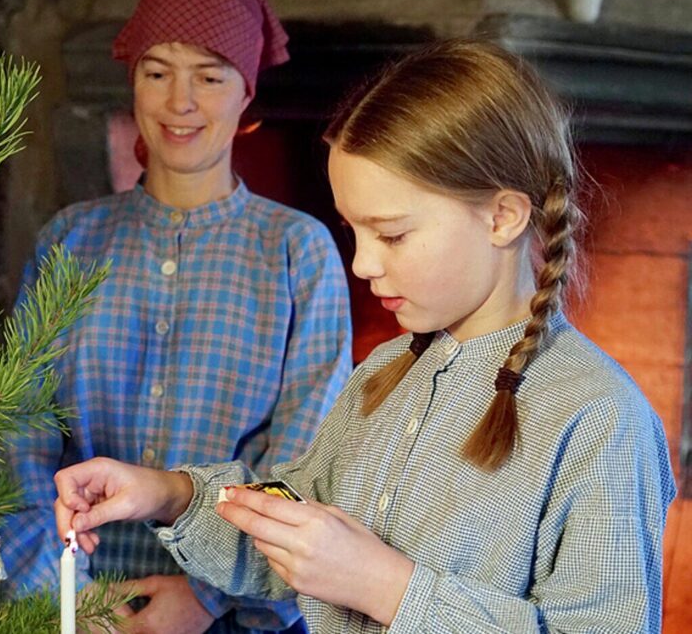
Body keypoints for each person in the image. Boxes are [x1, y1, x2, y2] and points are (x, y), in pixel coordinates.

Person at [53, 39, 677, 633]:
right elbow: (296, 528)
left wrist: (386, 586)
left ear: (503, 216)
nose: (362, 265)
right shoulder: (383, 374)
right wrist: (167, 492)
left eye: (393, 234)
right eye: (354, 232)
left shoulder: (600, 419)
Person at [0, 0, 353, 634]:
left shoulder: (297, 252)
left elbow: (308, 465)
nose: (180, 101)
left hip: (235, 615)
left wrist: (205, 600)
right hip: (69, 601)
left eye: (210, 76)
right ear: (132, 82)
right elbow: (20, 430)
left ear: (247, 92)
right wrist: (66, 594)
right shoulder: (70, 239)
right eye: (157, 73)